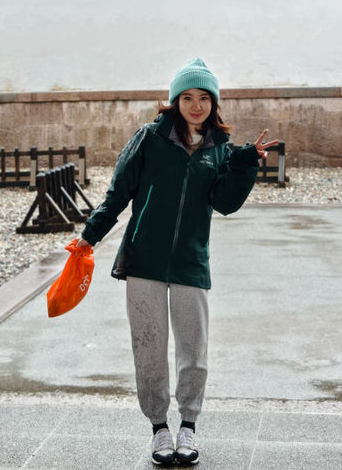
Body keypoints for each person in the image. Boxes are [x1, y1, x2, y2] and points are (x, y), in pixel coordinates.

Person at [75, 58, 278, 466]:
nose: (196, 105)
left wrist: (243, 165)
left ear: (214, 102)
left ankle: (188, 424)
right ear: (174, 101)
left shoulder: (219, 148)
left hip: (190, 262)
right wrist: (88, 237)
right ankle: (158, 429)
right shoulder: (149, 137)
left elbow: (224, 204)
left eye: (204, 97)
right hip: (144, 259)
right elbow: (119, 193)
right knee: (148, 346)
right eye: (187, 97)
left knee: (193, 348)